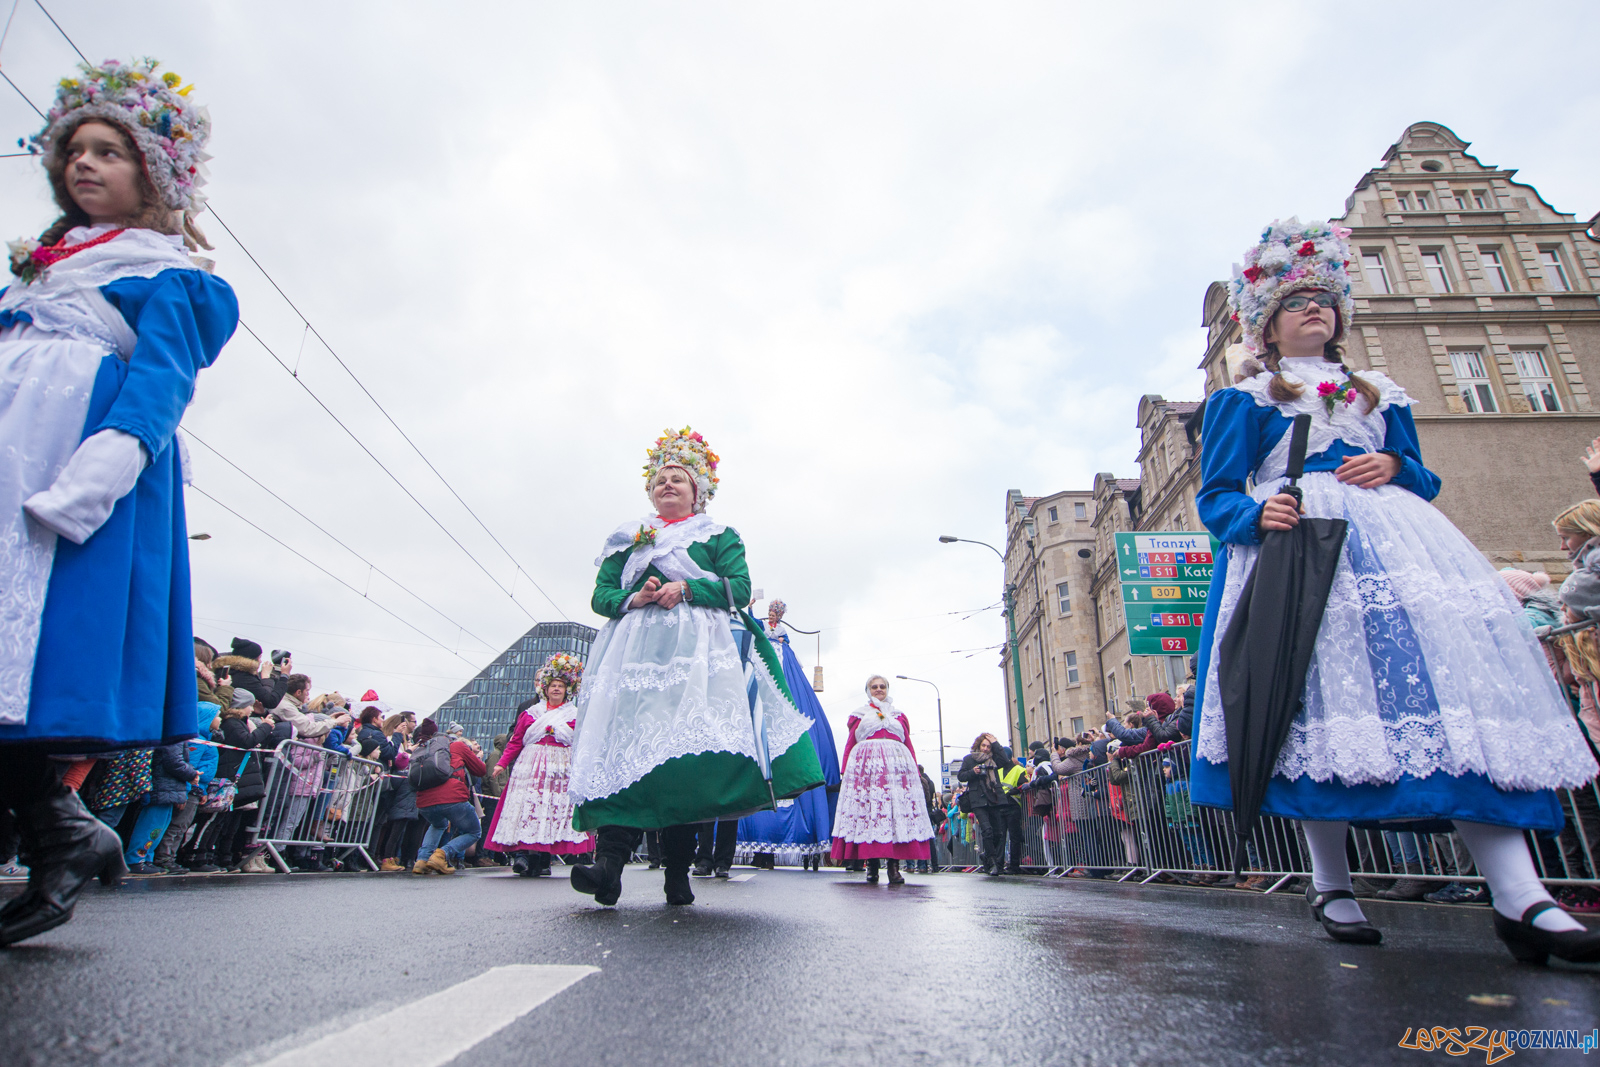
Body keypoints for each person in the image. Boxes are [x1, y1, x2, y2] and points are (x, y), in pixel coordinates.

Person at [1190, 218, 1600, 962]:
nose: (1313, 309)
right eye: (1295, 302)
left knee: (1454, 698)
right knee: (1315, 712)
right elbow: (1216, 496)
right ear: (1267, 325)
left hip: (1398, 553)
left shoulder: (1378, 392)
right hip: (1299, 555)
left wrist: (1395, 468)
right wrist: (1256, 514)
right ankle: (1331, 882)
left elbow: (1423, 474)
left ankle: (1522, 894)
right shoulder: (1243, 399)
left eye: (1324, 300)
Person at [0, 58, 237, 945]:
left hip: (71, 473)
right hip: (11, 455)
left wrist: (101, 471)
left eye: (109, 151)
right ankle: (60, 830)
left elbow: (161, 384)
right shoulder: (38, 271)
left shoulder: (166, 272)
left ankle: (60, 831)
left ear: (155, 173)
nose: (85, 164)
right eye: (75, 151)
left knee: (33, 661)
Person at [566, 427, 823, 906]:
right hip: (632, 661)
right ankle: (608, 866)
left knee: (683, 761)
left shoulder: (719, 536)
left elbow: (738, 588)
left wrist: (686, 589)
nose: (667, 485)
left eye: (678, 479)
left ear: (697, 492)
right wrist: (635, 597)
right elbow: (601, 597)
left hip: (698, 661)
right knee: (623, 753)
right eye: (660, 479)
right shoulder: (627, 539)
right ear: (650, 491)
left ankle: (678, 871)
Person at [736, 598, 844, 873]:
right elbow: (751, 627)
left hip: (780, 671)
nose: (774, 615)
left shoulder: (785, 641)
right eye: (773, 611)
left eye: (778, 612)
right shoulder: (762, 628)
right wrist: (749, 609)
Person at [485, 654, 594, 876]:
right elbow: (516, 741)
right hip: (531, 767)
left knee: (551, 810)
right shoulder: (530, 714)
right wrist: (502, 764)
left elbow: (581, 742)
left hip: (559, 769)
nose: (556, 689)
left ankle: (544, 859)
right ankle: (529, 857)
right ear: (545, 689)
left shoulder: (574, 714)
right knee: (529, 809)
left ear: (567, 690)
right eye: (553, 685)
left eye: (560, 686)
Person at [829, 676, 934, 885]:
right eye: (874, 687)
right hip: (869, 773)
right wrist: (846, 771)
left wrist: (915, 771)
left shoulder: (898, 715)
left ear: (887, 689)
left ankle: (894, 867)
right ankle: (872, 865)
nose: (879, 689)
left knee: (894, 817)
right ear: (868, 690)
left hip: (896, 773)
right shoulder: (859, 715)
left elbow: (908, 743)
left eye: (882, 686)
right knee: (871, 814)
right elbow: (851, 743)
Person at [410, 718, 487, 875]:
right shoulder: (457, 746)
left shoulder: (421, 750)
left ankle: (422, 860)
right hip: (453, 798)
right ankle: (442, 855)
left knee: (438, 824)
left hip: (424, 802)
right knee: (474, 831)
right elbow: (480, 770)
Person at [957, 733, 1011, 875]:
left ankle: (987, 855)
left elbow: (1005, 761)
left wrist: (996, 743)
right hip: (978, 800)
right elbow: (961, 776)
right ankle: (992, 863)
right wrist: (973, 772)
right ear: (978, 745)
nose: (986, 749)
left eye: (988, 746)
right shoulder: (969, 759)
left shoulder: (993, 759)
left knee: (998, 833)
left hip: (993, 798)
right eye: (983, 745)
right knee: (987, 830)